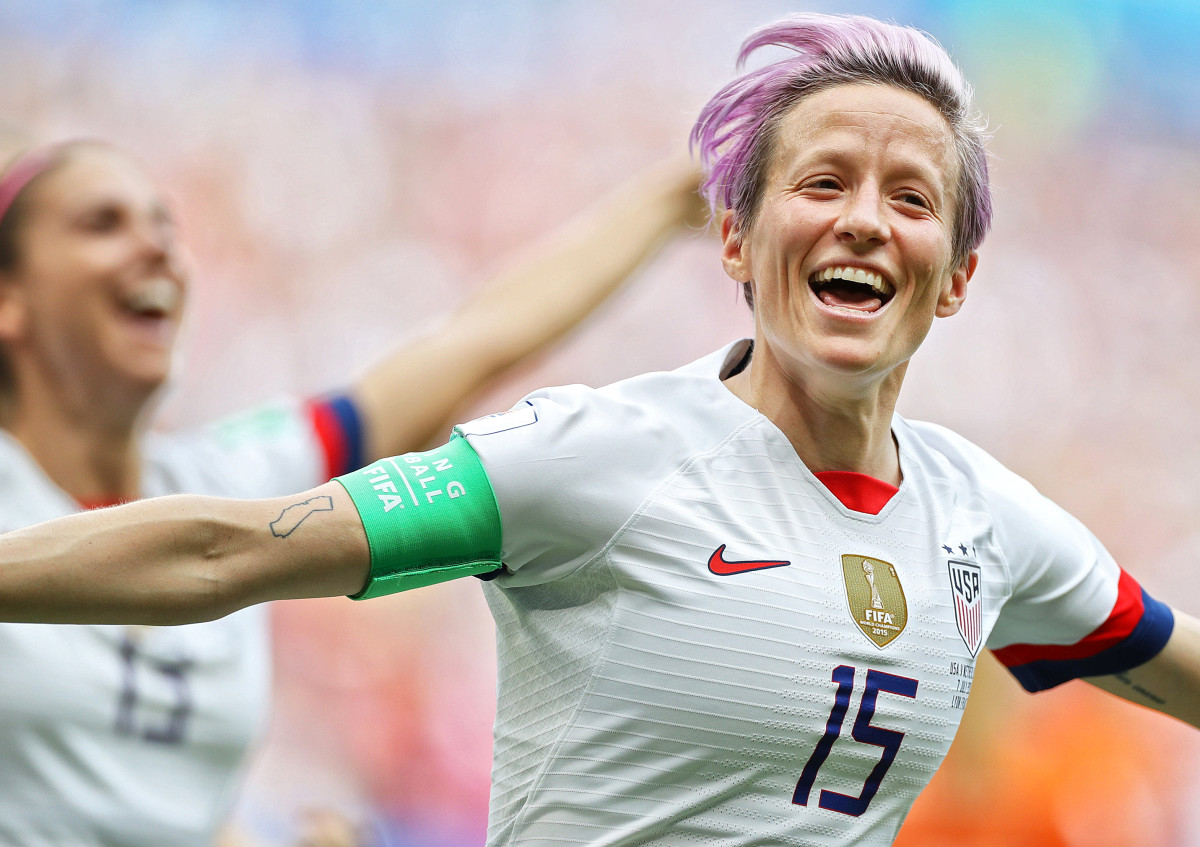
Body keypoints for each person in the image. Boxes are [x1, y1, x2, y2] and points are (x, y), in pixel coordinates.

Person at [2, 12, 1198, 846]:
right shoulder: (601, 456)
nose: (865, 224)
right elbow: (233, 548)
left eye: (912, 197)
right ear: (734, 236)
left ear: (959, 275)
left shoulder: (988, 520)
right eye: (823, 183)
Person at [0, 136, 703, 845]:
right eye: (101, 224)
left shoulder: (222, 483)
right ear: (8, 298)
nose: (157, 249)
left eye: (165, 227)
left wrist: (677, 198)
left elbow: (474, 342)